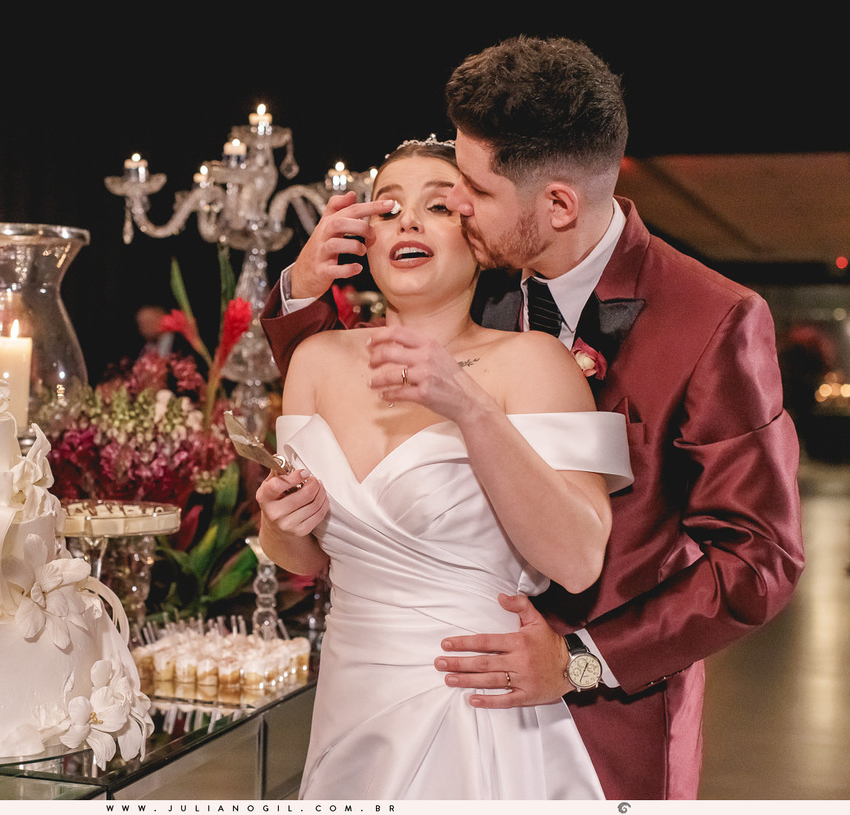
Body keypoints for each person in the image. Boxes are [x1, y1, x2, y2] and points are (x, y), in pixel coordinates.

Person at [260, 36, 804, 800]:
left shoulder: (714, 320)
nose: (455, 210)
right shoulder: (484, 273)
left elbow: (759, 562)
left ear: (555, 204)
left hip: (612, 716)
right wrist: (300, 288)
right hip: (397, 686)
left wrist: (584, 658)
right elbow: (361, 391)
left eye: (469, 194)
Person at [257, 138, 633, 799]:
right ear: (362, 244)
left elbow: (578, 560)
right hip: (350, 700)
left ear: (480, 241)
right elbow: (304, 559)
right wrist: (280, 516)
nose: (407, 221)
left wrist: (469, 408)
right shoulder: (315, 362)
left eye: (436, 205)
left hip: (474, 705)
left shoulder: (535, 361)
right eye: (388, 208)